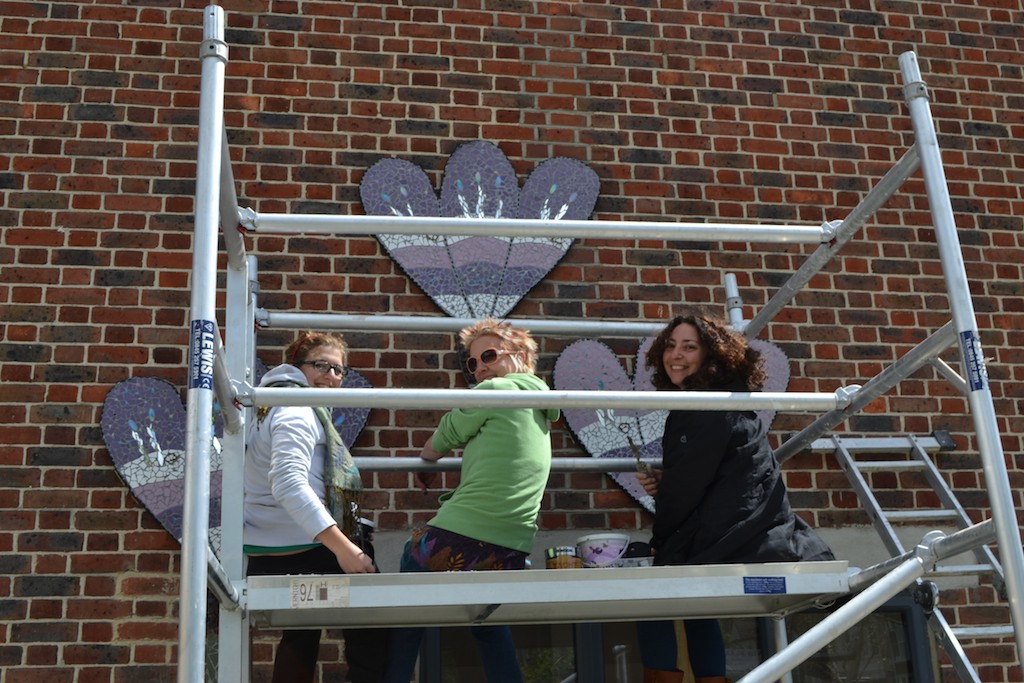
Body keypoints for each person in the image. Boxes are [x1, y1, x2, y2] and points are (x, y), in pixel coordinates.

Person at [636, 311, 834, 683]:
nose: (675, 355)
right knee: (692, 600)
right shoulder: (721, 401)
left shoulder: (704, 407)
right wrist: (671, 481)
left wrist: (661, 543)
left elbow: (687, 491)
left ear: (712, 356)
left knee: (650, 591)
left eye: (689, 347)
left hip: (735, 538)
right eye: (671, 345)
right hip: (751, 534)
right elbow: (711, 477)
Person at [382, 318, 559, 683]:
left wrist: (427, 458)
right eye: (473, 363)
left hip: (465, 532)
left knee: (408, 603)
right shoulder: (540, 407)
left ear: (521, 357)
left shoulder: (498, 388)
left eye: (489, 356)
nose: (480, 369)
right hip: (511, 544)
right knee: (486, 622)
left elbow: (450, 430)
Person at [243, 331, 387, 683]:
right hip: (295, 546)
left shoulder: (272, 403)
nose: (332, 377)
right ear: (296, 366)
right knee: (378, 622)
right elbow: (289, 484)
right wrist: (345, 550)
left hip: (268, 546)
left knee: (301, 630)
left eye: (339, 370)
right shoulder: (295, 407)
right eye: (321, 365)